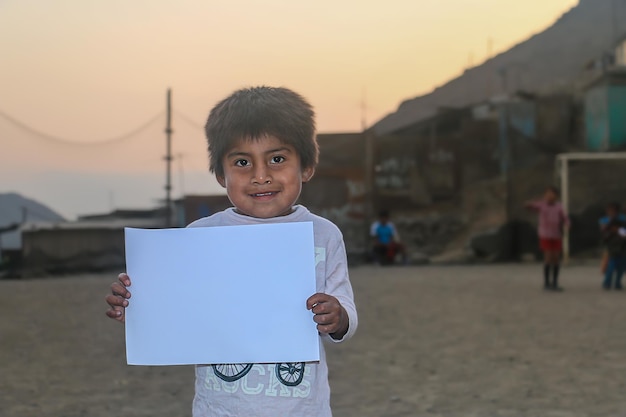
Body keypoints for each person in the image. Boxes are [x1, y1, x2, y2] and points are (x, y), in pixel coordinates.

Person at [105, 86, 358, 416]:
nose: (260, 176)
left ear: (306, 167)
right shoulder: (199, 238)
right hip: (219, 408)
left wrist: (336, 316)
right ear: (220, 174)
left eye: (277, 159)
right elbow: (175, 308)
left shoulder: (323, 235)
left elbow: (347, 312)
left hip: (302, 409)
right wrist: (136, 305)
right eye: (242, 162)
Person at [525, 186, 570, 291]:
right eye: (548, 193)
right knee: (548, 257)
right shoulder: (542, 205)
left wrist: (568, 224)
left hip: (556, 235)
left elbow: (565, 217)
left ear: (556, 196)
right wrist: (529, 204)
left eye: (552, 193)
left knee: (556, 258)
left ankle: (554, 282)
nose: (550, 196)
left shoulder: (559, 206)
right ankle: (546, 283)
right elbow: (530, 207)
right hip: (545, 235)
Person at [598, 202, 626, 274]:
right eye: (609, 211)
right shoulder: (604, 220)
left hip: (621, 244)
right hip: (611, 244)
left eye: (612, 211)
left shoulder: (622, 219)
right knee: (609, 257)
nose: (610, 213)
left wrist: (618, 230)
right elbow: (604, 230)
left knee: (620, 261)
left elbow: (623, 233)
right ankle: (606, 271)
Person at [602, 218, 626, 290]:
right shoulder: (609, 233)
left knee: (620, 270)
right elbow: (604, 240)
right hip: (613, 254)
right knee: (610, 269)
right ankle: (607, 283)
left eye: (617, 227)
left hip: (622, 254)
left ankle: (617, 283)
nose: (615, 228)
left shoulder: (622, 232)